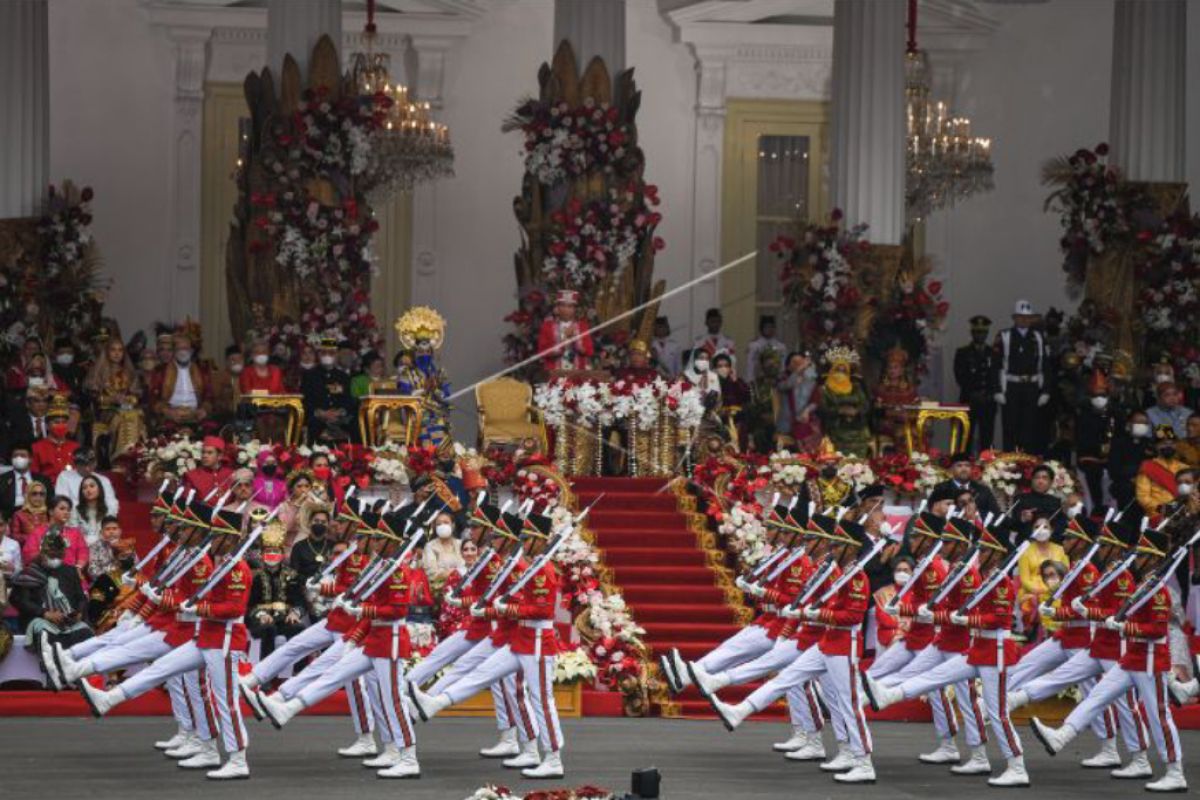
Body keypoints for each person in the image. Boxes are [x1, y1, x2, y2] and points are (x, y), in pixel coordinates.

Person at [80, 504, 254, 780]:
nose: (212, 539)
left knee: (225, 701)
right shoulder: (221, 564)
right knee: (159, 669)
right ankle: (109, 699)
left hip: (224, 641)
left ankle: (237, 758)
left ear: (231, 538)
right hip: (205, 637)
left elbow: (234, 608)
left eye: (218, 535)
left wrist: (198, 608)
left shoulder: (236, 569)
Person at [867, 520, 1031, 787]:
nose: (980, 553)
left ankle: (1017, 765)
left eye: (987, 549)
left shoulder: (999, 581)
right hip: (978, 647)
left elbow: (997, 618)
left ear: (998, 553)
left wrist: (963, 619)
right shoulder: (979, 574)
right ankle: (891, 694)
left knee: (996, 710)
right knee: (937, 676)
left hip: (995, 650)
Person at [410, 515, 568, 779]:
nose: (523, 543)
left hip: (538, 642)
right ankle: (434, 704)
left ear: (539, 542)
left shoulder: (543, 569)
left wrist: (509, 608)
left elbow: (542, 610)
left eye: (527, 539)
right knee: (480, 674)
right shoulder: (531, 565)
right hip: (521, 638)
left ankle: (553, 757)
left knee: (541, 700)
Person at [1030, 528, 1186, 792]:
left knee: (1159, 715)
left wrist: (1123, 627)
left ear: (1153, 559)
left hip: (1149, 661)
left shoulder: (1158, 591)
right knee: (1096, 697)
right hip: (1132, 658)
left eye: (1143, 556)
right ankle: (1061, 736)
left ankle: (1175, 771)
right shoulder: (1144, 586)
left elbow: (1157, 630)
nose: (1136, 560)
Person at [9, 531, 92, 650]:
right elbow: (19, 600)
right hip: (41, 619)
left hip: (69, 622)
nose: (55, 559)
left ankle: (75, 666)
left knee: (86, 634)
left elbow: (81, 598)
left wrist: (79, 612)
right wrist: (45, 613)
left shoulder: (70, 571)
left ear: (63, 555)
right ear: (43, 553)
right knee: (47, 637)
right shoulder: (29, 574)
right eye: (52, 556)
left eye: (59, 556)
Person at [992, 299, 1052, 454]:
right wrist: (997, 390)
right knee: (1010, 427)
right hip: (1011, 387)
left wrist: (1046, 390)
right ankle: (1009, 465)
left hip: (1032, 387)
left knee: (1030, 428)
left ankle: (1028, 464)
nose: (1025, 320)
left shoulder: (1038, 337)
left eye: (1028, 317)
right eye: (1021, 317)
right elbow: (996, 365)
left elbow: (1045, 365)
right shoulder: (1004, 336)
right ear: (1014, 318)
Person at [245, 521, 306, 661]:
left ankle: (298, 672)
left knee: (299, 629)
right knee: (268, 628)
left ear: (282, 554)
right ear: (262, 554)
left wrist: (295, 612)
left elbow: (299, 601)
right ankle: (265, 673)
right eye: (269, 551)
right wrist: (260, 614)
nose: (272, 554)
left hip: (284, 618)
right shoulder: (255, 577)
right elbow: (248, 605)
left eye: (275, 551)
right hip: (259, 620)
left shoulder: (292, 576)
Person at [84, 335, 145, 463]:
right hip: (105, 411)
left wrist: (128, 399)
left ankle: (131, 456)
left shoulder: (129, 372)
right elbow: (94, 398)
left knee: (135, 414)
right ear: (107, 352)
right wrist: (112, 399)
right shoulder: (97, 372)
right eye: (113, 350)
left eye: (120, 350)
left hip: (126, 408)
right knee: (125, 416)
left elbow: (136, 394)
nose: (117, 353)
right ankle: (119, 457)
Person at [1076, 368, 1120, 509]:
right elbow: (1081, 440)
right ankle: (1097, 509)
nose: (1099, 398)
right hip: (1090, 457)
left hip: (1113, 456)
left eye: (1102, 395)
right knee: (1094, 473)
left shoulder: (1116, 414)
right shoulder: (1083, 416)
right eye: (1096, 395)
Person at [150, 329, 213, 426]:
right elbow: (153, 399)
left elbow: (209, 396)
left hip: (196, 414)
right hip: (171, 415)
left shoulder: (202, 370)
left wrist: (204, 410)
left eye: (186, 348)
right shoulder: (161, 371)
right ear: (174, 351)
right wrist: (168, 412)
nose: (183, 352)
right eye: (179, 349)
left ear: (191, 351)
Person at [302, 337, 356, 443]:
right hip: (318, 415)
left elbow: (348, 400)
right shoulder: (309, 376)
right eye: (324, 353)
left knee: (354, 423)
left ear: (336, 355)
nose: (328, 356)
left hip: (339, 416)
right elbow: (305, 399)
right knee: (314, 424)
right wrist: (321, 413)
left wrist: (340, 412)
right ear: (319, 355)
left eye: (331, 353)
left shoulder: (343, 377)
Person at [954, 315, 997, 452]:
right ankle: (964, 463)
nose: (980, 335)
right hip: (969, 400)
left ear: (987, 334)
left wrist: (990, 393)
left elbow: (996, 376)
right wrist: (973, 393)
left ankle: (987, 468)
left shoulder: (993, 353)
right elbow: (960, 376)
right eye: (977, 332)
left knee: (987, 437)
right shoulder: (962, 352)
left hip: (988, 400)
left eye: (983, 332)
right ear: (972, 333)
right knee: (966, 436)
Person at [22, 495, 89, 572]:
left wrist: (79, 567)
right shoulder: (38, 532)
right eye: (62, 509)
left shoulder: (75, 533)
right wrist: (45, 554)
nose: (66, 512)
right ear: (51, 512)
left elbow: (83, 552)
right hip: (44, 574)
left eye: (68, 510)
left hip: (71, 575)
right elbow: (28, 556)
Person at [1135, 426, 1189, 519]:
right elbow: (1142, 497)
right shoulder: (1148, 467)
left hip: (1182, 516)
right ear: (1156, 446)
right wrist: (1161, 508)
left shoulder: (1185, 468)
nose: (1168, 446)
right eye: (1164, 443)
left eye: (1172, 443)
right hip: (1156, 516)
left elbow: (1193, 493)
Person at [536, 289, 594, 373]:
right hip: (554, 373)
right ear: (557, 308)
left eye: (570, 306)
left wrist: (575, 339)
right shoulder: (547, 326)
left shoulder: (582, 326)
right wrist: (564, 339)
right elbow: (543, 352)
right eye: (563, 306)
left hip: (578, 374)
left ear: (575, 309)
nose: (566, 310)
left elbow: (589, 351)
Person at [1108, 410, 1155, 514]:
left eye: (1144, 423)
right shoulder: (1118, 443)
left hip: (1147, 482)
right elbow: (1114, 470)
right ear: (1129, 424)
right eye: (1138, 422)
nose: (1141, 425)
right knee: (1127, 489)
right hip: (1125, 483)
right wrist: (1136, 473)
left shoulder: (1150, 444)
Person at [932, 453, 1001, 519]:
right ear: (952, 469)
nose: (964, 469)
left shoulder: (983, 490)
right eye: (959, 465)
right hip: (948, 529)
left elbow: (995, 513)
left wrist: (977, 514)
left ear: (971, 469)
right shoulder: (941, 488)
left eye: (967, 465)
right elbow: (934, 513)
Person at [776, 350, 821, 452]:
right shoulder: (783, 378)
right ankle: (805, 458)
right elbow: (786, 386)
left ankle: (812, 459)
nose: (799, 365)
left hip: (806, 417)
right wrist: (797, 372)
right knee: (802, 428)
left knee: (816, 428)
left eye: (800, 363)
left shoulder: (809, 379)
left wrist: (807, 411)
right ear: (787, 366)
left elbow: (815, 399)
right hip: (788, 419)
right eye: (795, 363)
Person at [55, 447, 119, 516]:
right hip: (72, 518)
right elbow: (62, 502)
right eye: (83, 465)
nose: (87, 469)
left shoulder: (104, 480)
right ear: (75, 465)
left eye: (90, 464)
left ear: (95, 463)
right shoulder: (65, 476)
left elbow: (112, 504)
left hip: (99, 519)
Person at [31, 395, 79, 484]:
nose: (61, 425)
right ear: (47, 426)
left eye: (64, 422)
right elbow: (34, 477)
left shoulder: (76, 447)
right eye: (56, 422)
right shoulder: (37, 448)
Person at [72, 476, 112, 579]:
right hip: (82, 549)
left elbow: (110, 533)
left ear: (99, 489)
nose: (88, 490)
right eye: (84, 488)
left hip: (103, 548)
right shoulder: (75, 511)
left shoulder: (108, 510)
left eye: (92, 486)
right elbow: (73, 535)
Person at [0, 442, 51, 517]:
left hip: (38, 517)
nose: (19, 458)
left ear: (30, 459)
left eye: (23, 456)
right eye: (15, 456)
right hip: (10, 517)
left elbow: (50, 502)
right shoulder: (2, 480)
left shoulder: (43, 479)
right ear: (11, 459)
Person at [289, 506, 333, 581]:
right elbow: (293, 573)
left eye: (323, 522)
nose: (319, 524)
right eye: (316, 521)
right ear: (310, 522)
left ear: (328, 525)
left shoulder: (332, 546)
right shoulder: (299, 547)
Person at [422, 511, 464, 584]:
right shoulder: (430, 546)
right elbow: (432, 575)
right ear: (435, 527)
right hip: (441, 588)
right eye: (439, 524)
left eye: (446, 522)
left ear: (453, 525)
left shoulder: (461, 544)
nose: (442, 526)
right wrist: (458, 571)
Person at [745, 315, 788, 383]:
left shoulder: (781, 347)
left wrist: (781, 379)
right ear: (761, 328)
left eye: (771, 327)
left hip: (776, 380)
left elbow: (783, 365)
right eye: (767, 327)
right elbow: (750, 365)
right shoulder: (754, 345)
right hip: (758, 379)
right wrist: (750, 381)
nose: (769, 329)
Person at [1, 510, 24, 632]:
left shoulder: (13, 544)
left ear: (6, 525)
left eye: (1, 524)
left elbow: (19, 570)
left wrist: (13, 569)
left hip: (9, 587)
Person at [212, 345, 245, 421]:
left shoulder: (249, 376)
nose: (237, 362)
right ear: (227, 362)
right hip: (226, 417)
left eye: (239, 359)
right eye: (233, 360)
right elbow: (216, 400)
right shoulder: (219, 378)